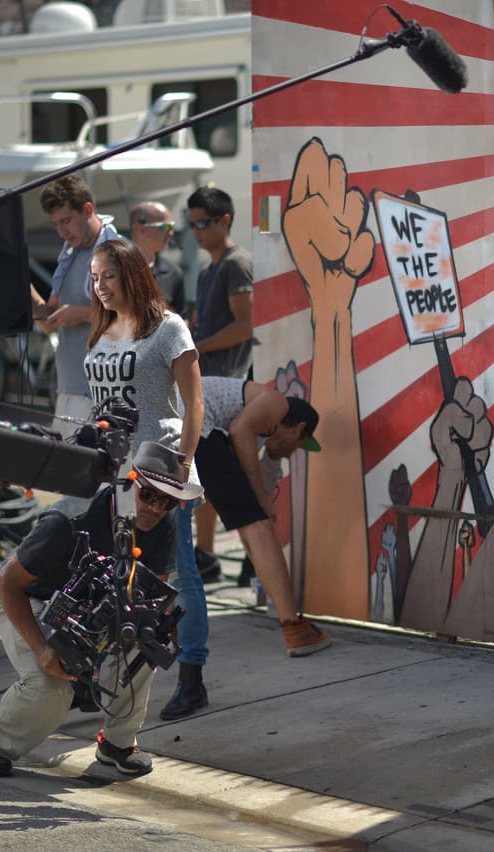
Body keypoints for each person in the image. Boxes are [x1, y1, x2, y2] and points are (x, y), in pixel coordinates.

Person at [0, 438, 201, 777]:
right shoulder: (68, 519)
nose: (155, 507)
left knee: (143, 646)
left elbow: (153, 591)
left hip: (95, 601)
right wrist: (42, 650)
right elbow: (7, 583)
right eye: (149, 494)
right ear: (129, 483)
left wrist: (153, 627)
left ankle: (117, 744)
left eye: (167, 501)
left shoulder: (161, 522)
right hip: (26, 598)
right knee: (51, 686)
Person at [81, 238, 211, 720]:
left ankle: (192, 676)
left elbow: (194, 402)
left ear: (132, 274)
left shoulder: (168, 328)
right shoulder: (102, 331)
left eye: (108, 276)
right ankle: (111, 678)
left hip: (160, 471)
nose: (100, 286)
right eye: (94, 278)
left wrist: (182, 461)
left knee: (174, 576)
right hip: (111, 476)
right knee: (115, 578)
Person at [160, 374, 329, 719]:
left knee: (170, 546)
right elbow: (239, 433)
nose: (292, 452)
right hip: (198, 427)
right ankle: (293, 627)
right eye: (298, 445)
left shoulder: (252, 410)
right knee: (257, 526)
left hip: (169, 433)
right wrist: (260, 498)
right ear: (297, 429)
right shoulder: (275, 402)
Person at [186, 186, 254, 581]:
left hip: (228, 389)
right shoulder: (209, 270)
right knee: (205, 480)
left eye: (202, 223)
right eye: (191, 223)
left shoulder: (236, 264)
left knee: (233, 481)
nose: (195, 231)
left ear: (224, 221)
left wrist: (196, 345)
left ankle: (253, 557)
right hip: (207, 387)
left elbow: (246, 325)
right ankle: (207, 554)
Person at [33, 174, 119, 438]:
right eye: (55, 224)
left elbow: (131, 316)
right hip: (68, 388)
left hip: (105, 393)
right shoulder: (68, 254)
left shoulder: (117, 251)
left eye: (66, 221)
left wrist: (80, 314)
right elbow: (49, 323)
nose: (61, 231)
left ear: (88, 210)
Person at [128, 201, 184, 315]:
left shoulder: (173, 273)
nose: (171, 233)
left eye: (172, 227)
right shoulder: (114, 270)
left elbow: (183, 318)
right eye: (166, 227)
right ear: (141, 229)